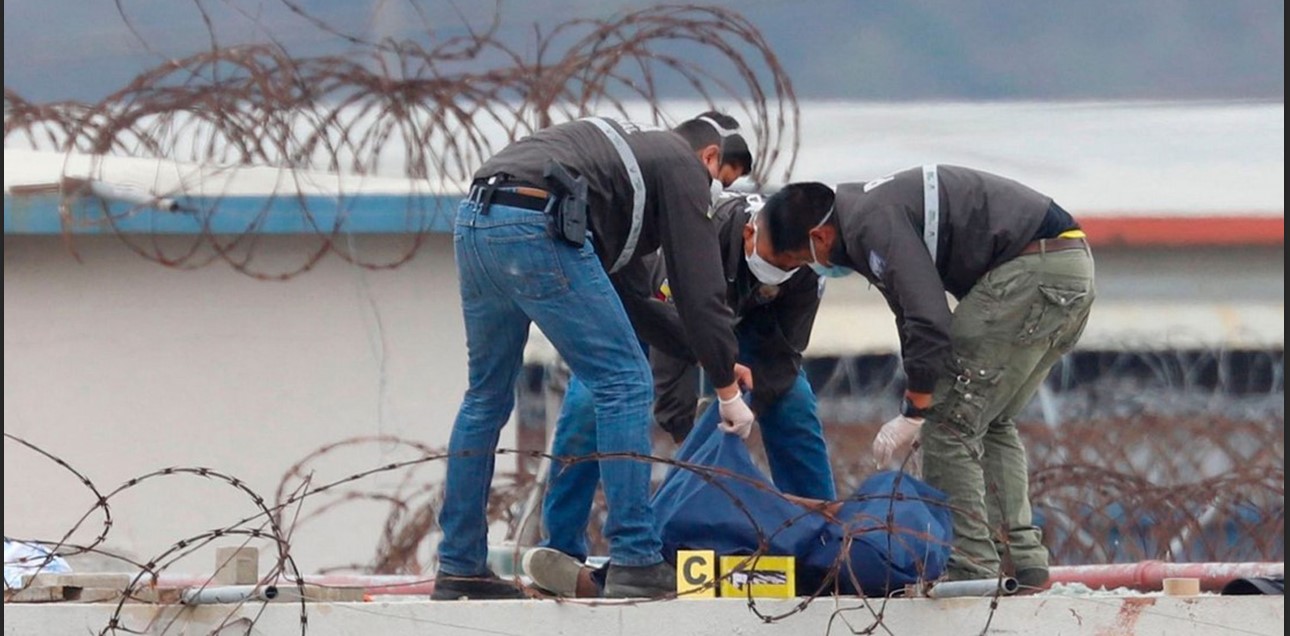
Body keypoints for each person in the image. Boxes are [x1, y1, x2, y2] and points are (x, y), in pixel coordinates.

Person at [433, 115, 755, 600]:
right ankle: (635, 557)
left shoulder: (620, 178)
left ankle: (459, 566)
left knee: (485, 397)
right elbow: (698, 286)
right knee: (624, 383)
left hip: (478, 221)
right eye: (717, 181)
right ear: (709, 157)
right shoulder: (681, 166)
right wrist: (727, 394)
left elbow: (637, 304)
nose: (708, 197)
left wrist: (715, 360)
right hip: (537, 221)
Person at [754, 165, 1095, 591]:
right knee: (989, 422)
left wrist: (916, 409)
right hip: (1065, 269)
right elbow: (910, 317)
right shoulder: (866, 216)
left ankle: (971, 567)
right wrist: (916, 399)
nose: (811, 268)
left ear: (819, 238)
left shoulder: (871, 225)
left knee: (949, 424)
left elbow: (930, 320)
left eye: (801, 260)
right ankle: (1023, 561)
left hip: (1030, 273)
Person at [526, 184, 839, 598]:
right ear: (750, 234)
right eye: (774, 260)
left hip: (738, 324)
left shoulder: (808, 266)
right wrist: (693, 444)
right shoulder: (702, 237)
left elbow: (781, 357)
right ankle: (563, 550)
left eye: (793, 264)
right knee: (592, 398)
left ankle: (825, 547)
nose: (782, 270)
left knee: (793, 401)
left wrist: (733, 411)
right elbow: (668, 350)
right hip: (645, 311)